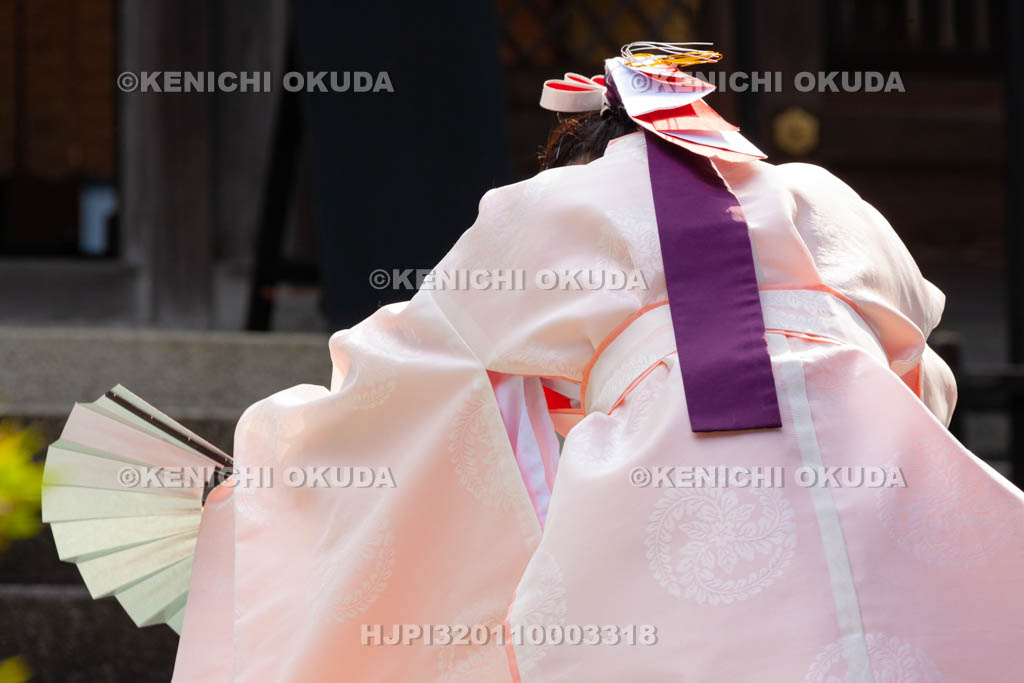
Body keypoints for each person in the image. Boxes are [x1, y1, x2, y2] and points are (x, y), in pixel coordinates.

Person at [172, 44, 1024, 681]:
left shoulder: (547, 208)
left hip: (669, 502)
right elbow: (921, 372)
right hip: (879, 474)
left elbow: (410, 365)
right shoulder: (833, 201)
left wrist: (279, 468)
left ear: (588, 143)